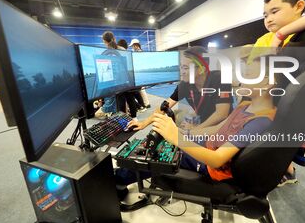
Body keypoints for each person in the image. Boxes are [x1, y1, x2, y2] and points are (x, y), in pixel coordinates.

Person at [116, 56, 276, 197]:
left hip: (213, 163)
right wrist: (183, 133)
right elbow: (221, 127)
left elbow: (217, 159)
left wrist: (178, 138)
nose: (241, 78)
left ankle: (117, 181)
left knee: (157, 154)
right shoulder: (247, 104)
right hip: (211, 142)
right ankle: (123, 174)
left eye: (247, 74)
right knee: (163, 142)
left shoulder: (260, 121)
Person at [246, 0, 305, 186]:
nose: (269, 19)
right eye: (265, 15)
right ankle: (284, 171)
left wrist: (281, 35)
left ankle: (284, 170)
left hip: (295, 106)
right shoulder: (264, 40)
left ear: (299, 6)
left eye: (274, 11)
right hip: (269, 102)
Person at [127, 46, 232, 135]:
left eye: (186, 68)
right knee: (177, 116)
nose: (182, 71)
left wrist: (196, 130)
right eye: (181, 67)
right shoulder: (185, 84)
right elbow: (164, 107)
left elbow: (221, 114)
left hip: (223, 127)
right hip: (202, 122)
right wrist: (143, 123)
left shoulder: (220, 78)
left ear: (201, 69)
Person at [129, 39, 151, 109]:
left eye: (133, 46)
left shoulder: (139, 52)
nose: (132, 47)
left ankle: (146, 104)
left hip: (140, 73)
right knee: (141, 89)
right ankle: (146, 103)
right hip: (139, 73)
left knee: (141, 89)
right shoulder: (138, 52)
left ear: (136, 45)